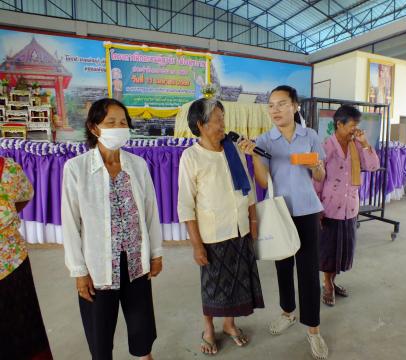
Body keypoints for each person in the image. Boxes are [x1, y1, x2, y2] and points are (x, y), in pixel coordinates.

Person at [62, 98, 163, 360]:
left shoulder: (137, 165)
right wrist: (79, 271)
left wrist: (156, 252)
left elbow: (151, 211)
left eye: (123, 122)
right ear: (94, 128)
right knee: (100, 332)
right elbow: (71, 224)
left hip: (135, 261)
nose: (119, 127)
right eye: (111, 122)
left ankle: (145, 355)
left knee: (141, 322)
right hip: (98, 267)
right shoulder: (76, 169)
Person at [238, 85, 328, 360]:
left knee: (309, 272)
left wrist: (314, 165)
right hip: (280, 212)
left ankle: (313, 330)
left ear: (295, 106)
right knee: (283, 266)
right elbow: (264, 183)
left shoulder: (309, 135)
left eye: (281, 104)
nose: (275, 110)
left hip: (308, 211)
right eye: (271, 105)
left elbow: (320, 177)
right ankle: (288, 312)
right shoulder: (264, 141)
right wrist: (254, 155)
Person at [177, 98, 264, 356]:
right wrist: (196, 244)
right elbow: (185, 205)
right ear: (201, 125)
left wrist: (253, 220)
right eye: (217, 120)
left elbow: (247, 188)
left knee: (237, 281)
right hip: (213, 234)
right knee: (213, 286)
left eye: (223, 119)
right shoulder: (191, 156)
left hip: (239, 228)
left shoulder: (232, 149)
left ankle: (229, 324)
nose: (223, 125)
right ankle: (208, 329)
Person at [314, 105, 380, 307]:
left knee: (343, 251)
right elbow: (316, 181)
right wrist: (317, 209)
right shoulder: (324, 147)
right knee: (328, 252)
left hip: (349, 207)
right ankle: (327, 284)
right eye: (352, 125)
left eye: (356, 125)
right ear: (339, 124)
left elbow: (373, 166)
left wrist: (365, 144)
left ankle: (332, 281)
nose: (355, 129)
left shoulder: (357, 146)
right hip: (329, 208)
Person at [0, 156, 53, 360]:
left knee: (21, 330)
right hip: (11, 260)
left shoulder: (7, 169)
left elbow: (23, 196)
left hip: (10, 263)